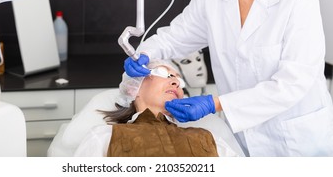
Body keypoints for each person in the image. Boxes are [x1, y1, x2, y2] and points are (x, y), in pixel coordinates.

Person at [123, 0, 333, 157]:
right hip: (242, 141)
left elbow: (294, 82)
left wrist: (217, 103)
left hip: (297, 141)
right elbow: (173, 38)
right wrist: (145, 53)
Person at [73, 60, 242, 157]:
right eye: (164, 74)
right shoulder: (105, 137)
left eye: (179, 80)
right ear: (134, 88)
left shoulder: (208, 139)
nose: (176, 82)